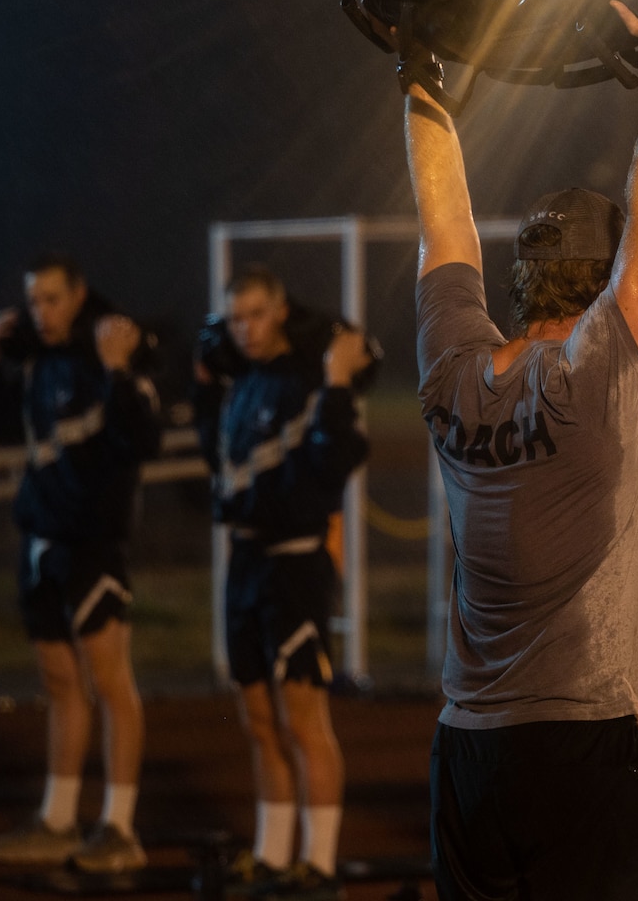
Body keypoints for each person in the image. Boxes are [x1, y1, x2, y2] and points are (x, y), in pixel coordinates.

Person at [404, 0, 638, 899]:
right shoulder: (595, 368)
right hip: (578, 745)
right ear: (601, 280)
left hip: (467, 749)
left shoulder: (451, 367)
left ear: (527, 274)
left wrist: (415, 68)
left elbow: (442, 222)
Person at [0, 253, 161, 872]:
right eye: (34, 301)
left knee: (112, 683)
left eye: (52, 299)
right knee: (59, 682)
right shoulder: (37, 360)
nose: (41, 312)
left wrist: (116, 369)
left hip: (93, 542)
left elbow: (143, 440)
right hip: (42, 538)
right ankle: (57, 820)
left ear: (79, 295)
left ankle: (119, 827)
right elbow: (4, 429)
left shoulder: (108, 350)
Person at [192, 266, 370, 899]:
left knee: (303, 719)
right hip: (244, 563)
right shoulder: (240, 385)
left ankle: (318, 868)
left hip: (295, 563)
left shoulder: (306, 379)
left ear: (282, 311)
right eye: (236, 317)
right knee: (258, 718)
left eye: (258, 314)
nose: (246, 328)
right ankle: (272, 856)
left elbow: (339, 456)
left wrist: (339, 378)